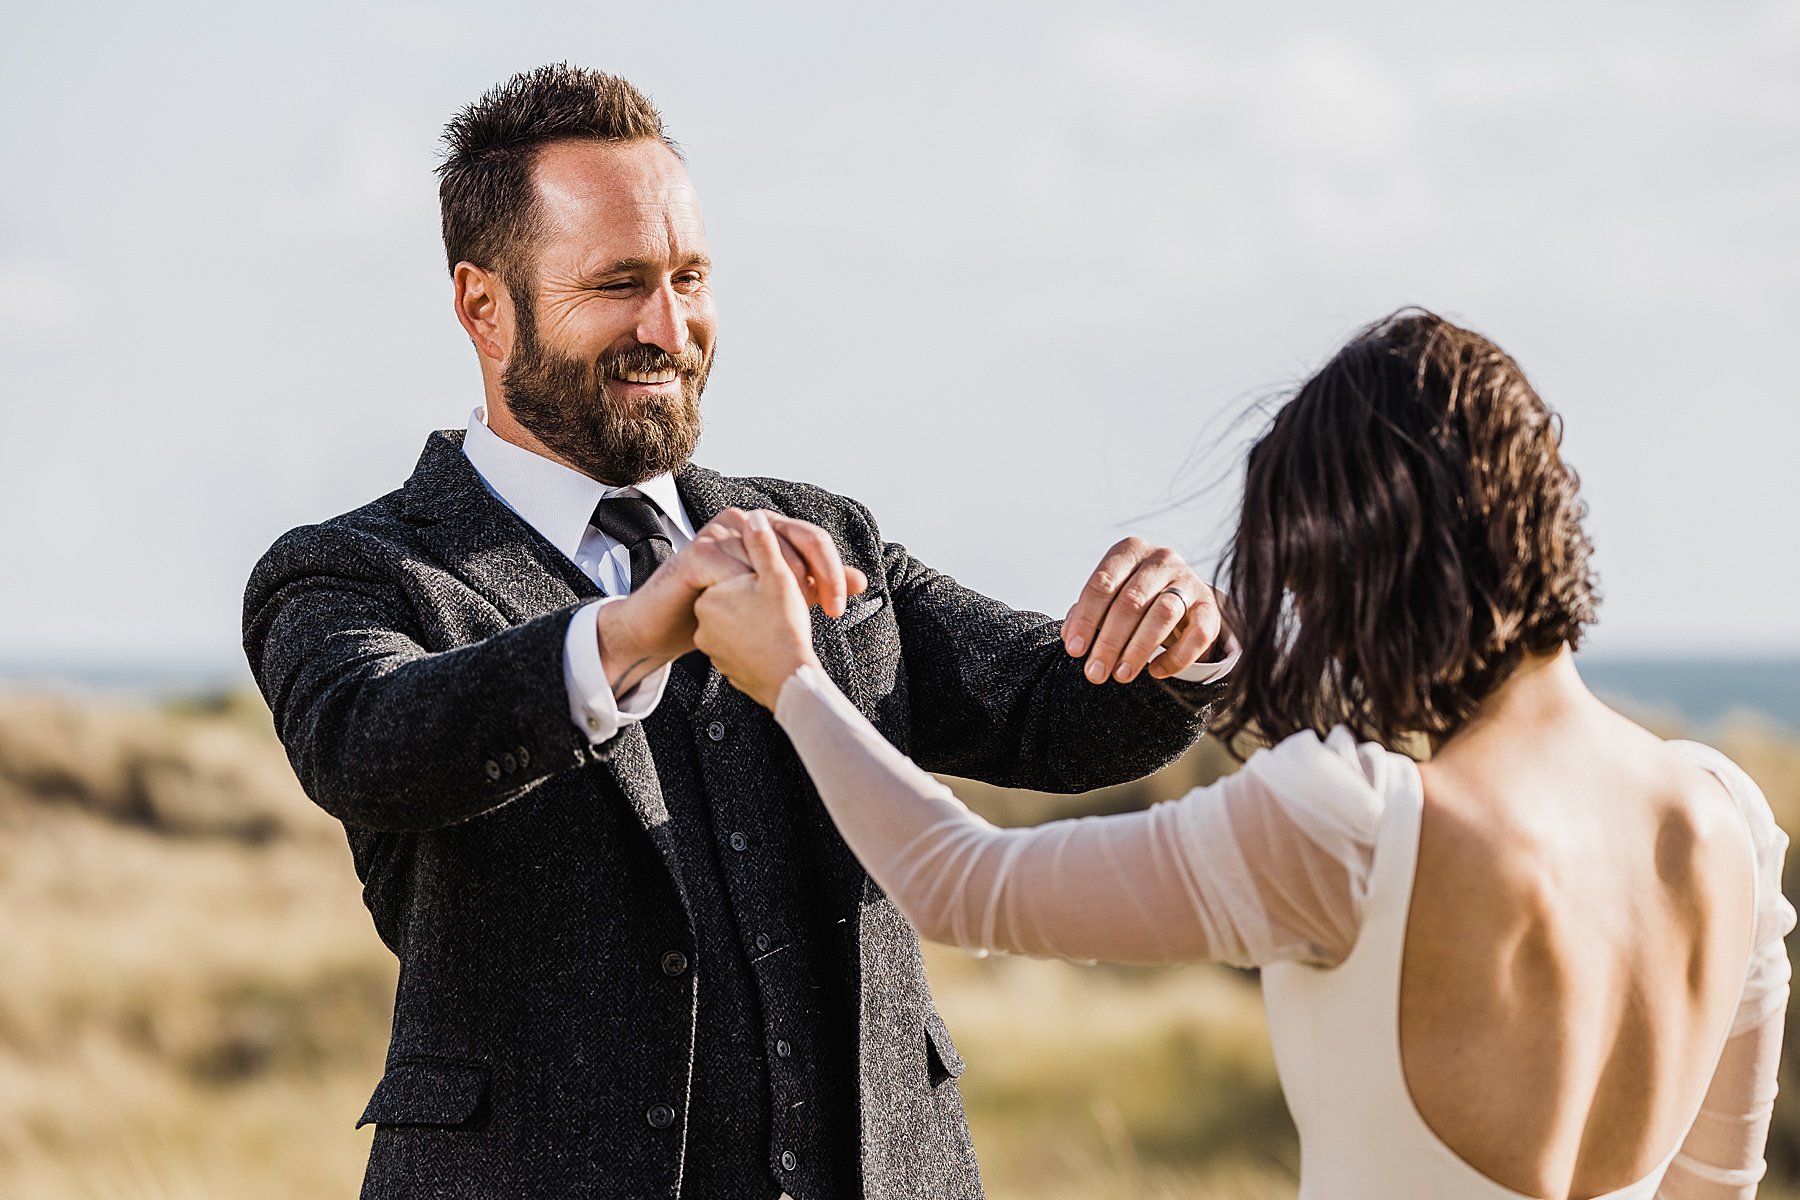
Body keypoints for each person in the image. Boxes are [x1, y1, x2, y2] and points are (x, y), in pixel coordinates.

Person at [241, 64, 1238, 1200]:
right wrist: (630, 631)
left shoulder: (822, 532)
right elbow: (373, 743)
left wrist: (1178, 641)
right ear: (483, 304)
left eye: (690, 276)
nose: (669, 327)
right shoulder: (353, 572)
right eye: (618, 283)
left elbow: (1050, 717)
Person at [689, 311, 1795, 1199]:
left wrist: (792, 675)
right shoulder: (1725, 822)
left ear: (1359, 561)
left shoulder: (1352, 829)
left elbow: (957, 884)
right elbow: (1719, 1184)